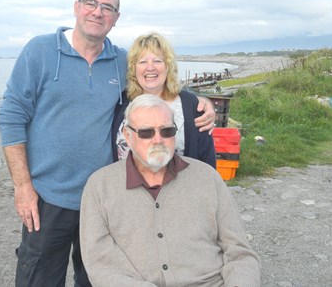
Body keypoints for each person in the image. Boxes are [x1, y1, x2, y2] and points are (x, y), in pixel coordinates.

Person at [0, 0, 217, 287]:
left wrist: (199, 101)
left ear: (116, 17)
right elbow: (10, 115)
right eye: (91, 3)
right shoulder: (40, 51)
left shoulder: (118, 59)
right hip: (48, 196)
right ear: (76, 8)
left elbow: (153, 80)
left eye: (107, 8)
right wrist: (22, 186)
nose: (98, 12)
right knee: (38, 278)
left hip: (106, 198)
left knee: (99, 279)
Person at [80, 94, 261, 287]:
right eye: (146, 133)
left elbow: (240, 253)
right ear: (127, 135)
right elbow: (100, 264)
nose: (158, 140)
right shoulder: (100, 186)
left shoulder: (207, 177)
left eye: (167, 131)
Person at [112, 32, 216, 168]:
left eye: (157, 61)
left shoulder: (192, 106)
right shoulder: (120, 103)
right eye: (142, 62)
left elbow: (206, 159)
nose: (150, 67)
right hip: (126, 187)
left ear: (168, 66)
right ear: (133, 68)